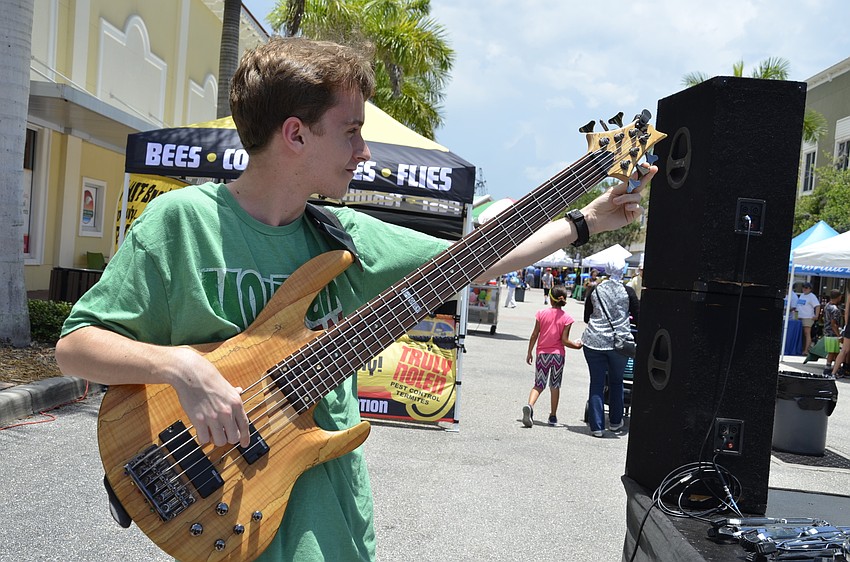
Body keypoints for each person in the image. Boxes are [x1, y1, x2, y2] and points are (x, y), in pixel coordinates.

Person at [54, 37, 656, 562]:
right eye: (351, 131)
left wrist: (586, 220)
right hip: (228, 514)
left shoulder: (344, 237)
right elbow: (76, 348)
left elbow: (482, 256)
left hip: (333, 525)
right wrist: (179, 365)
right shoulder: (181, 223)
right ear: (295, 133)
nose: (363, 151)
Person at [581, 258, 639, 437]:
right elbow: (638, 316)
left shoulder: (595, 289)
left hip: (594, 341)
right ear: (623, 271)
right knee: (617, 381)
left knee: (597, 382)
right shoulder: (628, 291)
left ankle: (597, 426)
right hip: (619, 344)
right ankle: (615, 422)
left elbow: (586, 316)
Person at [522, 285, 582, 427]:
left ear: (550, 298)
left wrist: (529, 351)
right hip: (558, 356)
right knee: (555, 386)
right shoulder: (567, 318)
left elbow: (534, 334)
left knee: (538, 384)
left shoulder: (541, 314)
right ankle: (553, 416)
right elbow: (565, 341)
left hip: (542, 354)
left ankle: (530, 406)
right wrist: (577, 345)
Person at [796, 282, 821, 353]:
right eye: (803, 287)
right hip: (800, 317)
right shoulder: (802, 295)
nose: (804, 289)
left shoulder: (812, 296)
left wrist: (816, 315)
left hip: (807, 317)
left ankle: (806, 350)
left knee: (807, 333)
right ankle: (802, 348)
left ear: (810, 289)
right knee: (802, 334)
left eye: (806, 287)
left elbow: (817, 305)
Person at [823, 289, 843, 371]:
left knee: (833, 352)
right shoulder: (835, 310)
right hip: (833, 334)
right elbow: (833, 324)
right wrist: (839, 336)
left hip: (826, 332)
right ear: (839, 297)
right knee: (833, 352)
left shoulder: (827, 306)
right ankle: (828, 368)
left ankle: (835, 368)